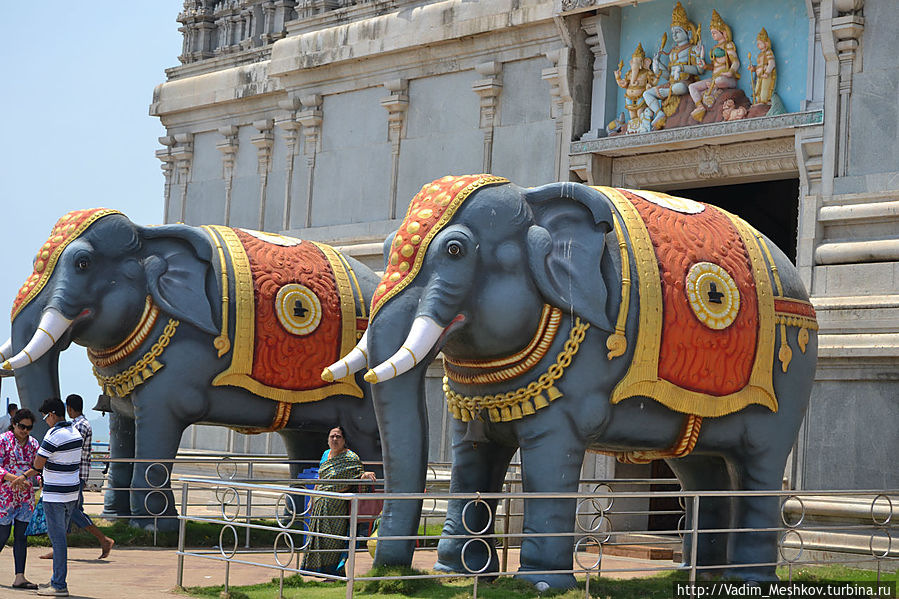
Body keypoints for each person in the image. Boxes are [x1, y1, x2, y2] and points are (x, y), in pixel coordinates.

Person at [15, 398, 82, 597]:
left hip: (56, 496)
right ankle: (56, 580)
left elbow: (38, 463)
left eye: (46, 417)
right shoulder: (75, 432)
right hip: (71, 493)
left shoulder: (53, 435)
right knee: (61, 539)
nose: (46, 421)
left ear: (52, 414)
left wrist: (23, 477)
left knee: (57, 540)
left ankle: (59, 584)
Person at [39, 394, 114, 561]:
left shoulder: (77, 426)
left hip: (73, 475)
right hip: (75, 474)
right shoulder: (80, 425)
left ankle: (103, 539)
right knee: (69, 512)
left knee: (73, 511)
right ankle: (59, 547)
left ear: (70, 409)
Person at [300, 426, 375, 576]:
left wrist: (365, 475)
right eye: (332, 436)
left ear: (344, 440)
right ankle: (319, 572)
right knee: (319, 540)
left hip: (337, 506)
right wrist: (313, 497)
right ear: (328, 439)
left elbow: (357, 476)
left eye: (338, 437)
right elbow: (321, 477)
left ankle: (335, 574)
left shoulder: (350, 458)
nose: (335, 439)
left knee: (334, 541)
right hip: (320, 504)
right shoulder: (325, 455)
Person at [0, 408, 40, 589]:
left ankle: (20, 576)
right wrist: (13, 479)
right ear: (14, 424)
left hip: (25, 497)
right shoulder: (3, 441)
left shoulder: (33, 444)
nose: (25, 431)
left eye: (29, 428)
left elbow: (38, 467)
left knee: (21, 537)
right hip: (5, 495)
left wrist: (38, 480)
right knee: (2, 535)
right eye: (22, 426)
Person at [688, 10, 740, 121]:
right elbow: (714, 67)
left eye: (715, 32)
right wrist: (705, 66)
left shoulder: (728, 45)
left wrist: (730, 72)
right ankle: (700, 107)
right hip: (714, 79)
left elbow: (735, 62)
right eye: (712, 32)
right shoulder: (714, 49)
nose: (713, 35)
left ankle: (714, 87)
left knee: (719, 80)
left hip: (727, 80)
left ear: (723, 32)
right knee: (692, 87)